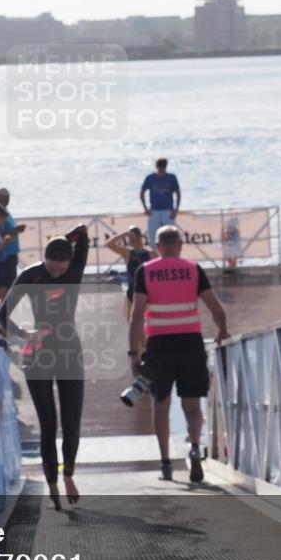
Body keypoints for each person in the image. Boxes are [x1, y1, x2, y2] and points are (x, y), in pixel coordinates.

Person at [0, 224, 89, 510]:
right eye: (53, 267)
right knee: (49, 424)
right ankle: (52, 483)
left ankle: (69, 475)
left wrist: (68, 236)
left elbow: (85, 233)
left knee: (72, 423)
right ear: (45, 260)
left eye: (62, 267)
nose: (58, 272)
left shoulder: (74, 270)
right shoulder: (30, 275)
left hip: (69, 352)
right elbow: (2, 318)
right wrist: (26, 334)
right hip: (37, 354)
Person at [128, 226, 229, 483]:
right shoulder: (193, 270)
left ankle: (165, 463)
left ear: (158, 246)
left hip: (159, 346)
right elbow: (216, 308)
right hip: (190, 344)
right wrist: (222, 330)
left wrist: (133, 353)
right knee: (193, 405)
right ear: (180, 245)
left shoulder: (146, 271)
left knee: (160, 405)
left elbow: (137, 314)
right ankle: (195, 447)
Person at [105, 225, 157, 319]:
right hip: (132, 290)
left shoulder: (152, 253)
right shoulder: (127, 252)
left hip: (148, 291)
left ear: (138, 237)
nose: (128, 239)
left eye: (130, 237)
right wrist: (123, 234)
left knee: (148, 320)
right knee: (131, 319)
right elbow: (108, 244)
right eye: (128, 237)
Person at [0, 188, 25, 290]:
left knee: (11, 282)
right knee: (5, 284)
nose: (9, 199)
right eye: (6, 197)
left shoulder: (4, 210)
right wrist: (15, 230)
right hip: (5, 254)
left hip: (10, 253)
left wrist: (15, 230)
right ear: (0, 198)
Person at [140, 157, 181, 247]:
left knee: (171, 237)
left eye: (163, 167)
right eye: (160, 167)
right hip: (154, 211)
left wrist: (176, 209)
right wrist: (145, 208)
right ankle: (155, 257)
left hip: (168, 211)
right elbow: (142, 192)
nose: (161, 169)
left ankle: (171, 257)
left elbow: (178, 193)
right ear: (156, 167)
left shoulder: (171, 178)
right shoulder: (150, 178)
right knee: (153, 238)